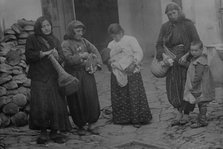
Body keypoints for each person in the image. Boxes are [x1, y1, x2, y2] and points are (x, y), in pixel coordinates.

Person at [25, 16, 71, 144]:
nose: (46, 28)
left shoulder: (55, 40)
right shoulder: (32, 39)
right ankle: (43, 132)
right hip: (39, 77)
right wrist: (42, 54)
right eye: (43, 26)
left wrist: (58, 56)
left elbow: (62, 58)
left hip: (53, 77)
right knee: (41, 104)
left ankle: (55, 132)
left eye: (48, 25)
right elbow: (28, 56)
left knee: (55, 104)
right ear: (39, 28)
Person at [156, 2, 201, 126]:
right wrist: (163, 56)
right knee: (172, 87)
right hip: (171, 62)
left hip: (186, 61)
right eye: (169, 14)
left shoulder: (188, 24)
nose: (171, 16)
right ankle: (178, 112)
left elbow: (196, 41)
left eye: (173, 13)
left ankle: (186, 113)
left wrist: (187, 55)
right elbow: (159, 44)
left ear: (179, 11)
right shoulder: (165, 27)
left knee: (187, 87)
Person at [105, 23, 152, 128]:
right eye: (112, 36)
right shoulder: (111, 44)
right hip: (117, 71)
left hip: (131, 70)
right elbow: (108, 57)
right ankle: (122, 119)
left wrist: (134, 64)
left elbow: (138, 52)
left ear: (121, 32)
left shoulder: (130, 40)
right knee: (120, 95)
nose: (115, 38)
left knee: (133, 94)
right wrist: (111, 62)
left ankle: (137, 118)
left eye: (116, 35)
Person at [61, 20, 102, 135]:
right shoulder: (66, 44)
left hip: (87, 74)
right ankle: (80, 125)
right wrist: (81, 56)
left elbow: (95, 51)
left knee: (90, 97)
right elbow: (67, 59)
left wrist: (96, 61)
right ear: (71, 32)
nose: (80, 33)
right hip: (74, 75)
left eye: (81, 31)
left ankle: (92, 123)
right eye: (77, 31)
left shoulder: (84, 41)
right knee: (76, 99)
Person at [183, 41, 214, 128]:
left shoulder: (200, 61)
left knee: (202, 102)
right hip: (199, 86)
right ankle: (201, 117)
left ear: (201, 50)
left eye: (196, 50)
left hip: (200, 86)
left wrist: (193, 85)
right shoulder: (196, 59)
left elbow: (198, 76)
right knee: (201, 102)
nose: (193, 52)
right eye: (192, 50)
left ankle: (202, 120)